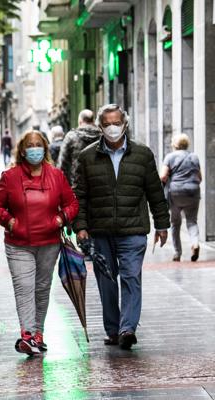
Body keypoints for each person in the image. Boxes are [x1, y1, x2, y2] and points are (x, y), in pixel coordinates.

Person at [73, 104, 169, 350]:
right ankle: (113, 330)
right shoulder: (87, 157)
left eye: (117, 123)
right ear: (100, 127)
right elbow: (79, 195)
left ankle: (128, 329)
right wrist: (80, 226)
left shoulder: (143, 154)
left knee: (131, 277)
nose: (112, 128)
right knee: (106, 281)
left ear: (125, 124)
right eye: (107, 124)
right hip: (100, 231)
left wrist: (162, 224)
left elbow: (155, 191)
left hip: (133, 230)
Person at [0, 130, 78, 356]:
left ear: (45, 148)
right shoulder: (10, 177)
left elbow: (72, 204)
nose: (34, 149)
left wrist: (60, 219)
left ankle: (38, 334)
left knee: (42, 288)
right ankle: (27, 335)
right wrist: (10, 222)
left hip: (49, 242)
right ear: (22, 150)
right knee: (24, 287)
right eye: (30, 145)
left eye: (38, 144)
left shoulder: (56, 175)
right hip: (18, 244)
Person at [159, 133, 202, 262]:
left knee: (175, 223)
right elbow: (200, 178)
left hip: (176, 192)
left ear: (174, 144)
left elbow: (163, 176)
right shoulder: (194, 157)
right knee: (192, 221)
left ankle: (177, 253)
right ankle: (195, 243)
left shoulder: (170, 157)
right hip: (193, 191)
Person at [56, 109, 102, 187]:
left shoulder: (71, 136)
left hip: (77, 184)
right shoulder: (102, 136)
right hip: (99, 183)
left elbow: (62, 163)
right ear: (93, 121)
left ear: (80, 121)